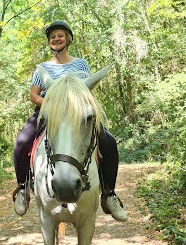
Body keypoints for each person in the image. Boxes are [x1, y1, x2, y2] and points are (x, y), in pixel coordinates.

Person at [12, 20, 127, 222]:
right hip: (49, 111)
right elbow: (34, 95)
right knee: (22, 142)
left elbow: (87, 91)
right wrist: (54, 104)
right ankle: (22, 188)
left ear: (68, 39)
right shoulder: (42, 68)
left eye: (60, 35)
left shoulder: (80, 64)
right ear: (49, 42)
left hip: (77, 112)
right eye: (52, 37)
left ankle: (109, 194)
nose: (56, 39)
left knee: (108, 142)